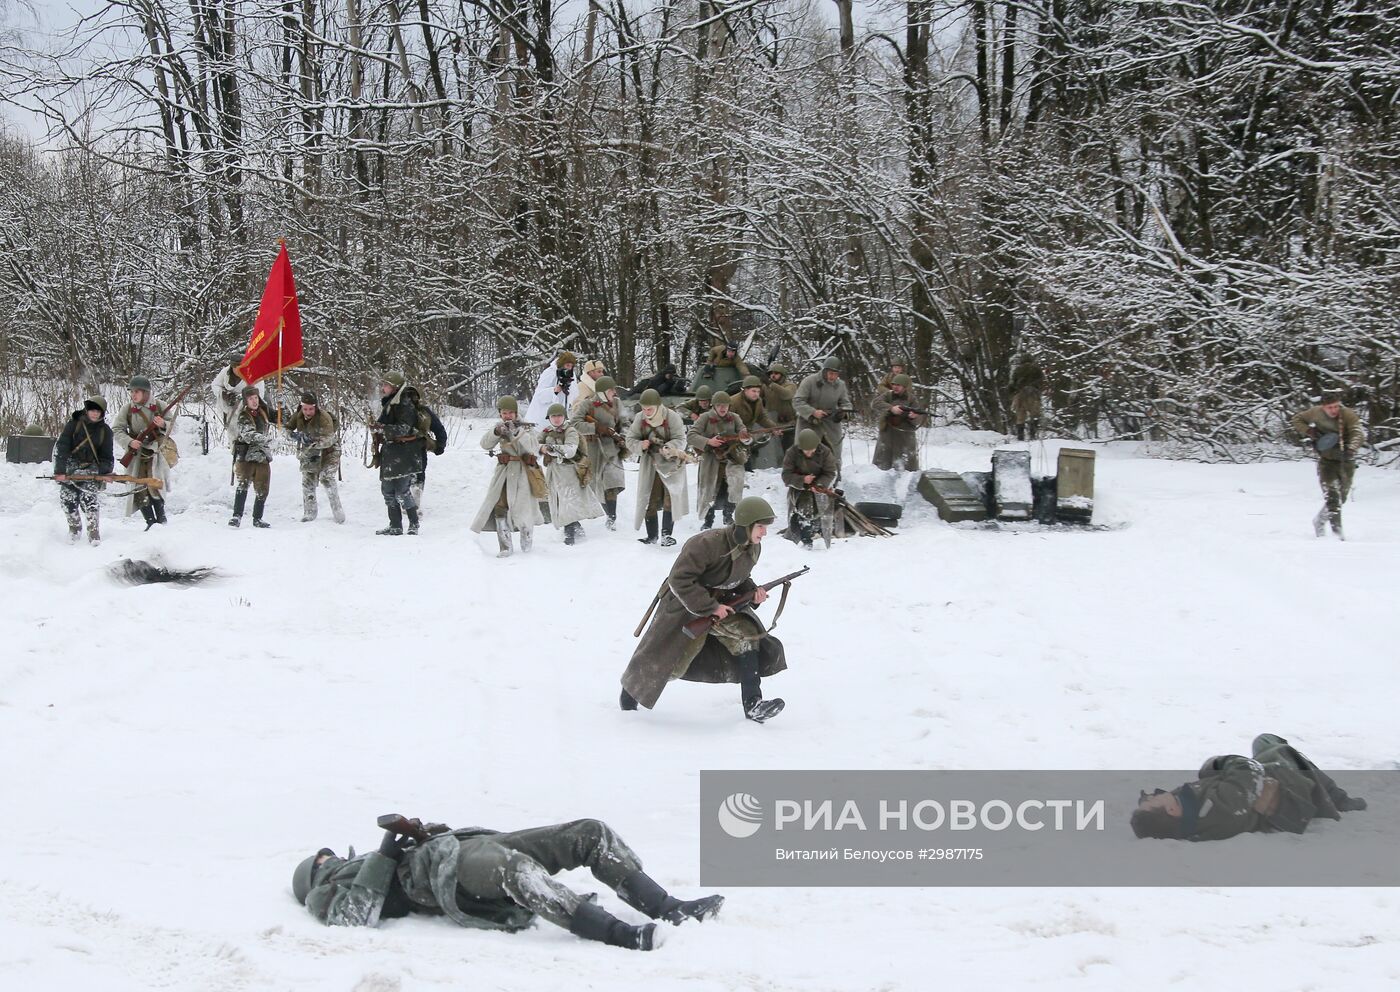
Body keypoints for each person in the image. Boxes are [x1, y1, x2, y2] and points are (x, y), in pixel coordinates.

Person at [292, 815, 723, 951]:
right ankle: (621, 935)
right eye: (324, 857)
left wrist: (426, 833)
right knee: (514, 871)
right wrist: (385, 857)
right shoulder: (322, 892)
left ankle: (668, 908)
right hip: (447, 877)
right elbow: (353, 919)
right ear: (316, 871)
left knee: (588, 832)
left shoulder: (357, 863)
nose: (334, 856)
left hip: (465, 848)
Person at [621, 496, 787, 722]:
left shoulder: (753, 548)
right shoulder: (706, 543)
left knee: (747, 637)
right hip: (684, 605)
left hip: (721, 605)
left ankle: (753, 704)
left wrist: (754, 592)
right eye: (760, 527)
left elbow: (739, 577)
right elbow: (679, 580)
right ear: (745, 525)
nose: (764, 533)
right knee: (670, 663)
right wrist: (710, 606)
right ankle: (630, 696)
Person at [1130, 734, 1367, 842]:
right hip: (1291, 798)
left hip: (1267, 791)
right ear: (1171, 811)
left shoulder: (1189, 815)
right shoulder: (1217, 809)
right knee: (1271, 746)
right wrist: (1218, 763)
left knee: (1264, 746)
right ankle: (1337, 799)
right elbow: (1249, 771)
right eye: (1154, 803)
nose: (1155, 797)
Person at [472, 397, 544, 557]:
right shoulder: (499, 427)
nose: (507, 416)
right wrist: (497, 432)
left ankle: (527, 541)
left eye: (510, 412)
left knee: (523, 509)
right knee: (499, 507)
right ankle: (505, 547)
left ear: (516, 413)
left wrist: (517, 432)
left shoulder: (527, 427)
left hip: (524, 473)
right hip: (504, 473)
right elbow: (485, 444)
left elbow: (534, 447)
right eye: (504, 413)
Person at [1291, 389, 1365, 539]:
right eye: (1330, 407)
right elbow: (1297, 419)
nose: (1334, 410)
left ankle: (1319, 520)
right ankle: (1338, 535)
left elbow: (1358, 432)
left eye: (1336, 406)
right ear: (1323, 407)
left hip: (1346, 461)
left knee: (1341, 498)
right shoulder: (1315, 413)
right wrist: (1309, 431)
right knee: (1332, 497)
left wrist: (1352, 448)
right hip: (1326, 461)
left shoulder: (1347, 415)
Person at [627, 388, 691, 546]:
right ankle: (652, 536)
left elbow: (681, 439)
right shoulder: (639, 418)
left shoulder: (672, 417)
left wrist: (669, 447)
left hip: (672, 463)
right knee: (650, 497)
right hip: (651, 463)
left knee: (671, 496)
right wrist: (640, 444)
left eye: (650, 408)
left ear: (658, 406)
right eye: (644, 408)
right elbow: (630, 439)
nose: (646, 411)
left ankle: (666, 535)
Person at [113, 375, 175, 529]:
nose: (133, 395)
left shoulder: (160, 406)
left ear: (146, 393)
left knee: (155, 485)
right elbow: (117, 429)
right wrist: (129, 442)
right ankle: (150, 522)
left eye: (137, 392)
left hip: (156, 452)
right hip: (137, 453)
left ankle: (161, 519)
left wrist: (163, 424)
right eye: (132, 392)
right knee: (138, 487)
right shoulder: (127, 409)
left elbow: (174, 426)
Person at [52, 396, 114, 545]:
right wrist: (59, 471)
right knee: (68, 500)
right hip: (70, 468)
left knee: (90, 500)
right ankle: (74, 529)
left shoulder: (105, 431)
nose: (94, 413)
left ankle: (93, 532)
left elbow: (107, 457)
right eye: (91, 410)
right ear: (86, 410)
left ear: (102, 413)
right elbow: (62, 447)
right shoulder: (73, 425)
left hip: (91, 469)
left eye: (97, 411)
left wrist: (101, 471)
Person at [539, 403, 603, 545]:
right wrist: (542, 447)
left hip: (569, 472)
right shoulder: (546, 431)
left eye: (559, 416)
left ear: (564, 417)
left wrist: (549, 448)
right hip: (553, 472)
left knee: (568, 502)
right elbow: (534, 445)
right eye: (553, 416)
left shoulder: (570, 431)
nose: (556, 419)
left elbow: (570, 451)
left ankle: (570, 536)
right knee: (561, 502)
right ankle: (577, 529)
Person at [571, 375, 626, 530]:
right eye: (611, 390)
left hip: (612, 448)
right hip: (593, 448)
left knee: (612, 482)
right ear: (602, 392)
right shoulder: (587, 404)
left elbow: (626, 422)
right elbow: (575, 423)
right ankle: (607, 514)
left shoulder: (617, 404)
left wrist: (622, 436)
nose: (614, 392)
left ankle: (612, 518)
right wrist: (595, 428)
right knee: (597, 484)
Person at [372, 371, 424, 536]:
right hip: (390, 451)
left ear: (394, 387)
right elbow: (386, 423)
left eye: (385, 385)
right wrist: (377, 426)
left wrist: (383, 429)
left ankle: (414, 524)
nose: (383, 388)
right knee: (387, 490)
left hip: (404, 451)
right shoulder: (390, 403)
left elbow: (405, 428)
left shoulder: (404, 404)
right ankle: (395, 525)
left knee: (402, 490)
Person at [689, 391, 751, 529]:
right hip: (711, 460)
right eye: (719, 405)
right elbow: (691, 435)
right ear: (714, 406)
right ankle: (708, 521)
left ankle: (728, 516)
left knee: (733, 487)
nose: (723, 408)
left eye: (726, 405)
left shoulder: (735, 418)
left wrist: (745, 437)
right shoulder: (705, 418)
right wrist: (708, 441)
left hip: (731, 460)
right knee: (709, 491)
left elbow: (744, 433)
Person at [284, 391, 344, 524]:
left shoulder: (324, 417)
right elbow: (287, 429)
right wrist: (294, 435)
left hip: (329, 451)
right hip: (311, 453)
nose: (307, 412)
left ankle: (338, 512)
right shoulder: (298, 415)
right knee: (307, 481)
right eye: (305, 408)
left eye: (311, 409)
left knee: (326, 478)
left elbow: (329, 440)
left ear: (316, 407)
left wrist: (311, 440)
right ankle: (309, 514)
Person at [792, 358, 853, 474]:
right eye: (830, 373)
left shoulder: (840, 385)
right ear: (824, 371)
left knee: (833, 455)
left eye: (836, 374)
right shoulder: (809, 381)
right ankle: (802, 483)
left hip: (831, 425)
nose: (832, 377)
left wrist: (843, 412)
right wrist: (813, 412)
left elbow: (846, 403)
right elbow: (797, 401)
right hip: (809, 423)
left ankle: (834, 480)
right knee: (805, 453)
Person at [782, 428, 838, 550]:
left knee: (824, 512)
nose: (809, 453)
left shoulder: (825, 452)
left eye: (811, 450)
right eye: (805, 451)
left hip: (821, 487)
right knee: (804, 511)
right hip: (799, 489)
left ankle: (823, 535)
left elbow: (831, 472)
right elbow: (786, 476)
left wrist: (820, 485)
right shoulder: (792, 453)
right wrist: (802, 480)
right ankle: (805, 540)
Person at [229, 386, 274, 528]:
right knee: (243, 484)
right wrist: (266, 440)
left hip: (261, 455)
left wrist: (281, 406)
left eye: (255, 398)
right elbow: (248, 434)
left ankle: (257, 518)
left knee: (262, 487)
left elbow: (281, 418)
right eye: (250, 399)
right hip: (246, 455)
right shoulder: (243, 416)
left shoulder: (264, 411)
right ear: (246, 401)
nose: (254, 401)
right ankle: (236, 516)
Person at [401, 384, 446, 511]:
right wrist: (440, 445)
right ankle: (414, 499)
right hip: (418, 446)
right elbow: (439, 428)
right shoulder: (424, 411)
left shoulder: (398, 411)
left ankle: (409, 501)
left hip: (405, 448)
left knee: (406, 475)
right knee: (418, 474)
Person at [871, 373, 923, 472]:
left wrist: (913, 417)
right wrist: (891, 408)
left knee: (906, 468)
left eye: (898, 385)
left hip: (905, 435)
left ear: (905, 387)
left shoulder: (911, 399)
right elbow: (875, 403)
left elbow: (918, 419)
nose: (895, 387)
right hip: (888, 434)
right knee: (882, 465)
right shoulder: (888, 395)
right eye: (894, 384)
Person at [524, 351, 580, 425]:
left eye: (571, 366)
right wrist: (554, 391)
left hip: (559, 419)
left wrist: (568, 388)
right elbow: (540, 396)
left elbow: (575, 396)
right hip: (540, 420)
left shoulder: (571, 375)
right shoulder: (549, 373)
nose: (569, 368)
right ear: (561, 364)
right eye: (567, 365)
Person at [1009, 353, 1045, 440]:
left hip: (1020, 394)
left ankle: (1020, 437)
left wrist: (1012, 393)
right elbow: (1042, 382)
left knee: (1020, 416)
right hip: (1033, 394)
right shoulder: (1037, 369)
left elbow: (1012, 384)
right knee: (1035, 415)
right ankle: (1033, 436)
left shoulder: (1018, 370)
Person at [763, 365, 797, 450]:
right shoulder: (765, 387)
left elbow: (786, 395)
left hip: (788, 424)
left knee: (789, 450)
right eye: (771, 373)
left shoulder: (790, 385)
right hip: (773, 425)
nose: (773, 375)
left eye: (776, 373)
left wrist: (771, 384)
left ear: (782, 375)